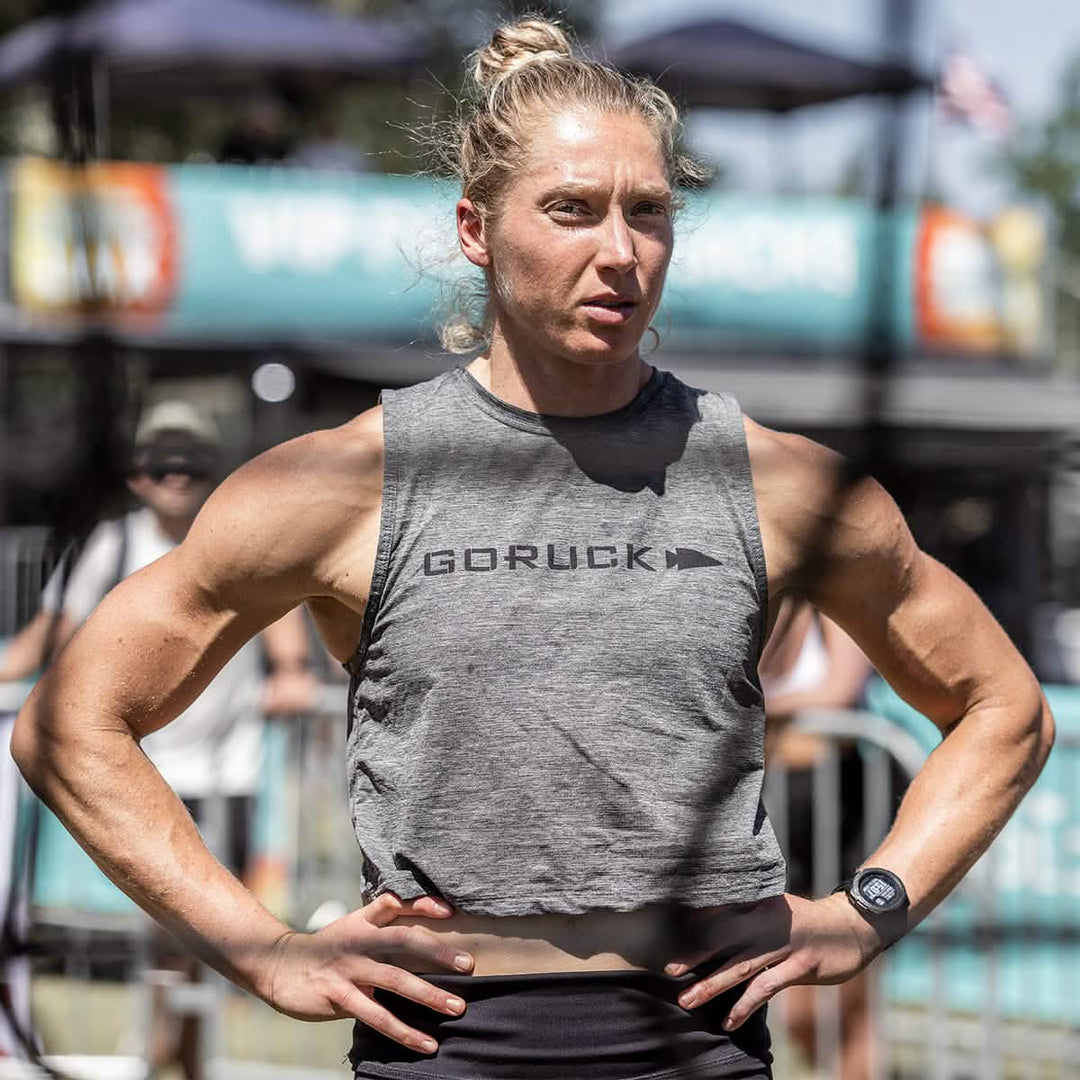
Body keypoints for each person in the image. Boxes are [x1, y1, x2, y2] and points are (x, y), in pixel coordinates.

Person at [11, 18, 1054, 1080]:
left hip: (699, 1040)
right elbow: (71, 722)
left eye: (648, 213)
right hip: (444, 1043)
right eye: (571, 210)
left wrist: (863, 910)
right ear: (477, 228)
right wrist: (264, 950)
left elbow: (1003, 709)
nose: (618, 251)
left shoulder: (782, 484)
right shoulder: (339, 483)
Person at [2, 400, 319, 1080]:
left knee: (206, 929)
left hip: (224, 768)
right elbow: (48, 637)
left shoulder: (238, 537)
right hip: (139, 768)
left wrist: (292, 670)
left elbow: (276, 620)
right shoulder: (110, 545)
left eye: (190, 463)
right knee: (174, 925)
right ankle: (171, 1055)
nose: (176, 476)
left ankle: (172, 1055)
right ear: (137, 474)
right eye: (162, 462)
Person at [759, 601, 875, 1080]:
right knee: (798, 1007)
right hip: (774, 811)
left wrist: (754, 707)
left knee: (849, 998)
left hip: (840, 809)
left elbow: (840, 691)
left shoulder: (832, 605)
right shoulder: (754, 601)